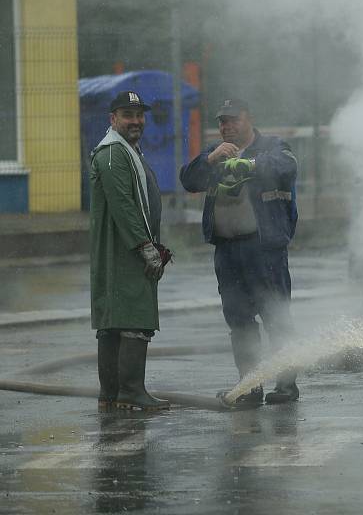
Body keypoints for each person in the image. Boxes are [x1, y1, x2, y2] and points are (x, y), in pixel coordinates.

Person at [180, 98, 299, 407]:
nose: (227, 127)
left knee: (276, 315)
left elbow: (287, 166)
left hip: (264, 249)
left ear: (249, 119)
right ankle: (250, 385)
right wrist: (210, 160)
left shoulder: (271, 146)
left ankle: (286, 386)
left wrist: (251, 164)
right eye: (222, 122)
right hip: (228, 251)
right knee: (239, 320)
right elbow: (188, 179)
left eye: (233, 120)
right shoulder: (214, 154)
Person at [89, 90, 170, 411]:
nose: (135, 121)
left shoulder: (127, 151)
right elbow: (124, 205)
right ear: (113, 119)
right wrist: (144, 246)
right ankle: (130, 391)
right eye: (127, 115)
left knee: (114, 322)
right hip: (122, 250)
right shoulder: (113, 153)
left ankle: (111, 395)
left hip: (123, 247)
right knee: (133, 316)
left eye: (139, 115)